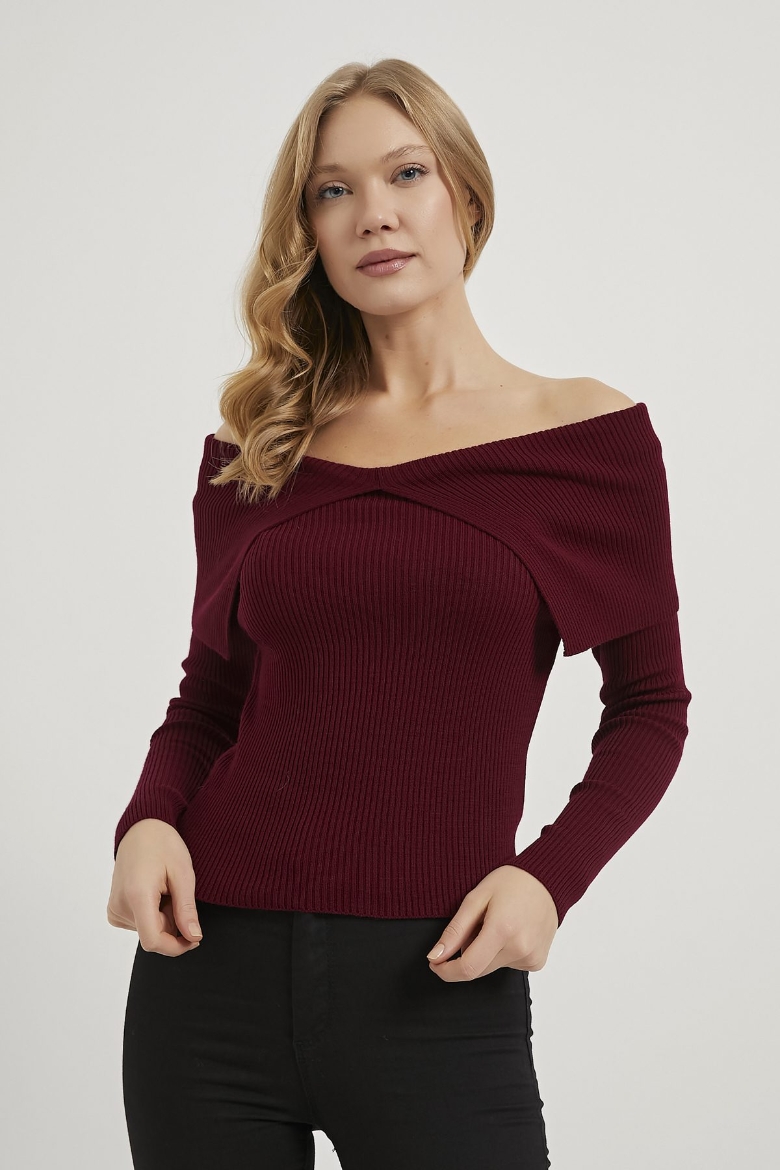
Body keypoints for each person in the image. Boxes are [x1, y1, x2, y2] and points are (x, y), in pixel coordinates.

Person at [107, 57, 692, 1170]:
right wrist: (146, 823)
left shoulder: (585, 441)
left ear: (464, 195)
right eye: (333, 191)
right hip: (206, 985)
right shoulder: (258, 451)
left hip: (438, 985)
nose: (372, 212)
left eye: (405, 173)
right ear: (310, 234)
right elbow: (211, 698)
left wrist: (549, 879)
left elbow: (651, 706)